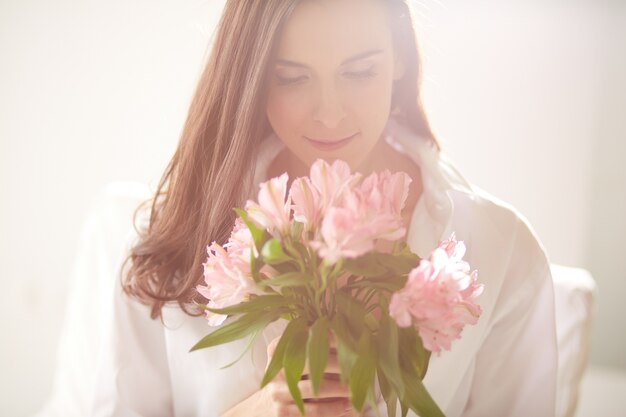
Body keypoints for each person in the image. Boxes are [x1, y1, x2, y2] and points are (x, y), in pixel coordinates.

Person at [90, 0, 558, 416]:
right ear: (252, 75)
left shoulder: (503, 252)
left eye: (359, 72)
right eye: (291, 78)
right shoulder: (168, 236)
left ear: (399, 57)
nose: (330, 114)